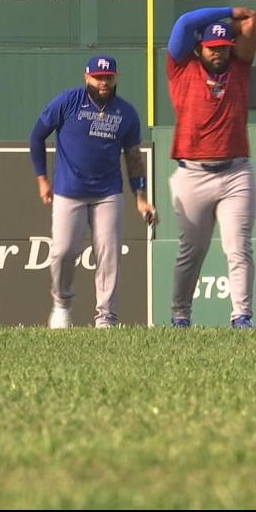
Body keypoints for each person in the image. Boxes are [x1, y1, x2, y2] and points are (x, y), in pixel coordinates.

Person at [29, 55, 151, 328]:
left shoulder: (126, 113)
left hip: (108, 192)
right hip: (69, 190)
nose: (104, 81)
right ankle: (61, 304)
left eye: (108, 77)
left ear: (116, 77)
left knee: (109, 254)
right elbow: (37, 135)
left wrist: (140, 198)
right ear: (87, 77)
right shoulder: (68, 101)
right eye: (98, 77)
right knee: (62, 252)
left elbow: (133, 156)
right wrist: (42, 179)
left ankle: (106, 316)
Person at [165, 6, 256, 328]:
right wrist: (227, 11)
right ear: (199, 47)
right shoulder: (181, 67)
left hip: (235, 172)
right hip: (192, 173)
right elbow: (183, 22)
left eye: (224, 48)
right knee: (192, 252)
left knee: (238, 246)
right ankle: (180, 316)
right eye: (213, 47)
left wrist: (238, 20)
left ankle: (241, 317)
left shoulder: (239, 68)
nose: (220, 53)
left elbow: (251, 21)